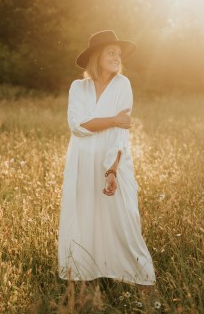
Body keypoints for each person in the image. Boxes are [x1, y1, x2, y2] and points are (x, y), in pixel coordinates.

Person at [58, 30, 156, 287]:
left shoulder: (122, 84)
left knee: (124, 221)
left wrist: (112, 169)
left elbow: (120, 135)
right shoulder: (78, 87)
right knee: (85, 218)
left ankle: (142, 281)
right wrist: (112, 119)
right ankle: (87, 277)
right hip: (81, 164)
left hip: (111, 162)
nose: (116, 57)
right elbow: (77, 125)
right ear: (96, 56)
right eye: (111, 52)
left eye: (119, 54)